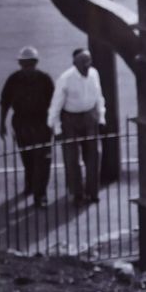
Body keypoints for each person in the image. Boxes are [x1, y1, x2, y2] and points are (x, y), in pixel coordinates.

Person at [47, 47, 105, 205]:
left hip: (90, 117)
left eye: (89, 60)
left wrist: (101, 118)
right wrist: (57, 128)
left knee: (94, 155)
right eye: (83, 61)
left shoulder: (94, 74)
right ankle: (77, 193)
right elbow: (55, 105)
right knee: (72, 158)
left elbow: (99, 97)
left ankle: (93, 192)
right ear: (75, 63)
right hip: (70, 120)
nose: (87, 64)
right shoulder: (65, 79)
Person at [0, 45, 54, 207]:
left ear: (36, 63)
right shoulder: (13, 79)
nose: (27, 67)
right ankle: (30, 184)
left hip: (42, 122)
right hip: (21, 122)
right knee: (27, 156)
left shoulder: (45, 79)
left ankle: (40, 194)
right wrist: (2, 124)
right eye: (24, 64)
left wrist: (54, 124)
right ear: (20, 64)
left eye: (30, 64)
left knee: (42, 159)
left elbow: (54, 103)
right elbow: (5, 102)